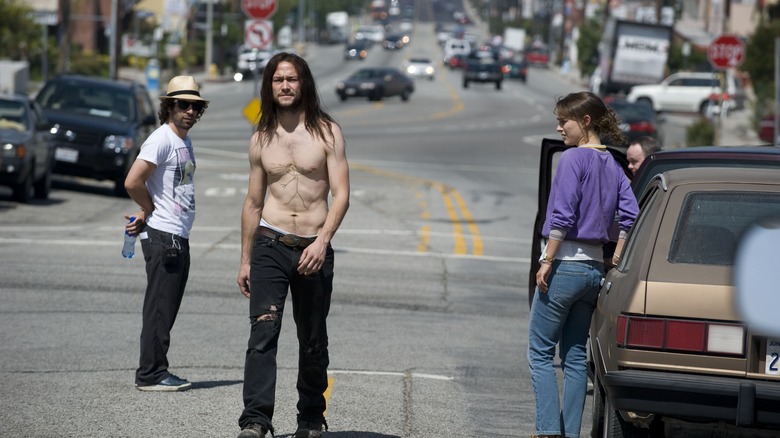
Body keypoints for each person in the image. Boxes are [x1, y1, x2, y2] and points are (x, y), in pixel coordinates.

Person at [236, 52, 350, 438]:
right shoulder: (261, 138)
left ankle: (310, 418)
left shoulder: (327, 132)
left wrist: (323, 241)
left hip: (313, 247)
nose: (285, 86)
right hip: (270, 243)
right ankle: (255, 420)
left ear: (304, 84)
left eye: (292, 79)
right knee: (263, 333)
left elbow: (342, 194)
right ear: (269, 86)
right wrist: (245, 259)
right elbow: (252, 203)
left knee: (313, 338)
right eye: (278, 80)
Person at [528, 92, 639, 438]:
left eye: (565, 121)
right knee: (576, 357)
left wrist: (547, 260)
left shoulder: (573, 159)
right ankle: (570, 433)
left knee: (539, 352)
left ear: (586, 122)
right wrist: (616, 255)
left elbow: (562, 214)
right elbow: (630, 216)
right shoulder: (614, 165)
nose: (559, 127)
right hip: (593, 270)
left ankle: (548, 431)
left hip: (565, 265)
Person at [124, 76, 208, 392]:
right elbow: (133, 181)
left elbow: (169, 187)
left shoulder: (182, 140)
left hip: (176, 234)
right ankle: (151, 374)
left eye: (195, 106)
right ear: (168, 106)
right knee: (160, 306)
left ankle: (157, 369)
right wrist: (150, 208)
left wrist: (148, 210)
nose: (189, 111)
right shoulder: (161, 139)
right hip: (165, 236)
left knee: (166, 306)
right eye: (183, 104)